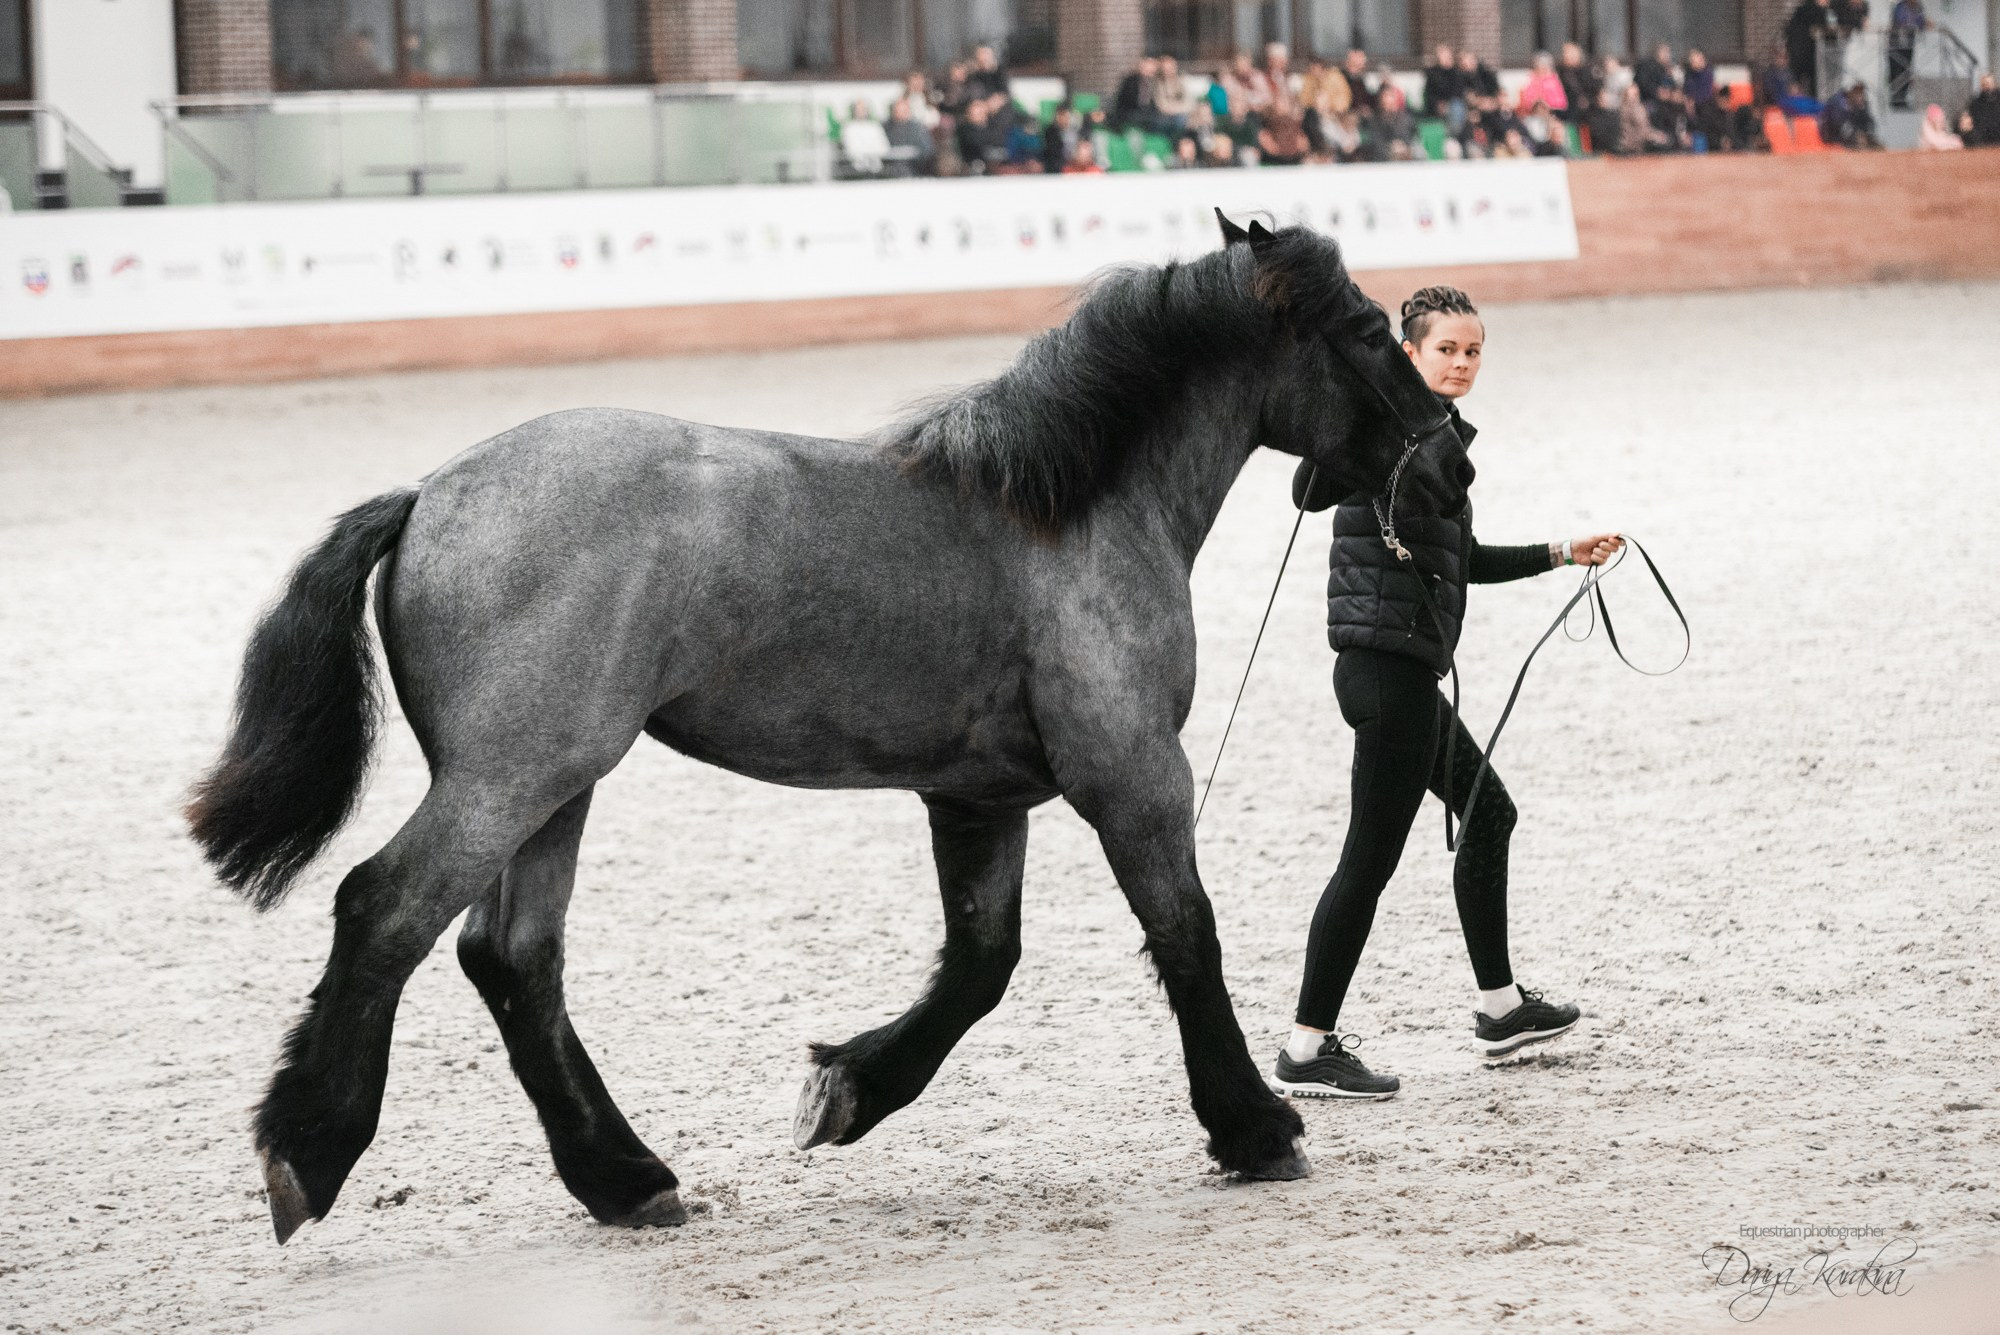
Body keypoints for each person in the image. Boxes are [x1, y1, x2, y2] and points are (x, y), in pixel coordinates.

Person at [1272, 287, 1617, 1098]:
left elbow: (1465, 560)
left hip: (1402, 674)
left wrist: (1562, 552)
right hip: (1382, 675)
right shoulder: (1379, 425)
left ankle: (1500, 1009)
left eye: (1472, 352)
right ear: (1409, 355)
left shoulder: (1438, 443)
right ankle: (1304, 1047)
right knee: (1368, 861)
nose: (1461, 363)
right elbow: (1307, 491)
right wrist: (1355, 405)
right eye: (1445, 351)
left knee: (1488, 809)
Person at [1785, 0, 1838, 99]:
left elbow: (1831, 34)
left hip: (1818, 56)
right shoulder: (1807, 10)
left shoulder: (1829, 11)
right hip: (1807, 53)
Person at [1889, 0, 1929, 108]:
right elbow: (1900, 21)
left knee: (1906, 71)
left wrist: (1924, 23)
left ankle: (1903, 98)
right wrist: (1912, 23)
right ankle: (1895, 100)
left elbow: (1921, 22)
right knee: (1896, 72)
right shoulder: (1900, 7)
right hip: (1896, 45)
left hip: (1909, 45)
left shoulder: (1919, 8)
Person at [882, 98, 935, 175]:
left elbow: (927, 149)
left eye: (902, 111)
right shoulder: (885, 127)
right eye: (897, 110)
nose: (899, 113)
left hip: (913, 166)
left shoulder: (917, 128)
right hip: (890, 165)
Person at [1113, 56, 1161, 131]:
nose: (1151, 71)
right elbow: (1129, 99)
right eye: (1149, 68)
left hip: (1147, 111)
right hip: (1130, 111)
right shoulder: (1131, 80)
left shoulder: (1153, 82)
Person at [1518, 51, 1567, 116]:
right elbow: (1525, 101)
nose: (1543, 70)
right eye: (1541, 67)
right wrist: (1537, 103)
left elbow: (1561, 103)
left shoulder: (1554, 81)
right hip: (1533, 114)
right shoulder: (1530, 80)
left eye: (1546, 67)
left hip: (1552, 114)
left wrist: (1547, 105)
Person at [1968, 73, 2000, 146]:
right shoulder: (1975, 103)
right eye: (1984, 84)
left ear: (1994, 84)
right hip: (1983, 140)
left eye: (1988, 83)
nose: (1987, 86)